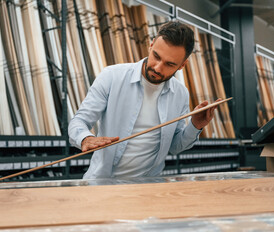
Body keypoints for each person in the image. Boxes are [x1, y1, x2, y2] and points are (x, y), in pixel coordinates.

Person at [68, 21, 219, 179]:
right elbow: (78, 121)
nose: (158, 68)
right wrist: (85, 138)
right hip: (102, 183)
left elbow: (174, 147)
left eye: (169, 64)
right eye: (156, 56)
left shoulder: (180, 94)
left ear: (182, 65)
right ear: (151, 45)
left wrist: (195, 126)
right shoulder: (112, 77)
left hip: (148, 188)